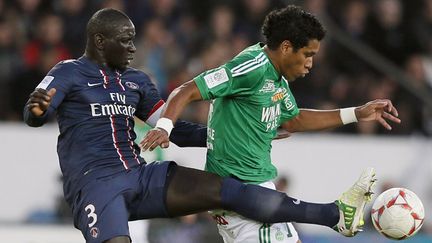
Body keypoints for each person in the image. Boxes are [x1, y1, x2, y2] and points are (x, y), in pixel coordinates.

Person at [25, 8, 379, 243]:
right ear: (100, 41)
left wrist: (225, 136)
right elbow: (36, 109)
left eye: (134, 39)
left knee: (229, 190)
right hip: (95, 185)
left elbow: (173, 128)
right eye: (125, 40)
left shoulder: (136, 82)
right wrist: (37, 109)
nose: (133, 48)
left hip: (139, 174)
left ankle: (333, 213)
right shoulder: (68, 71)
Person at [141, 5, 401, 243]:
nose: (311, 63)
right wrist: (164, 126)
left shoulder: (277, 79)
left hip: (256, 193)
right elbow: (185, 90)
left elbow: (295, 119)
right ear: (286, 47)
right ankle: (337, 215)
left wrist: (356, 112)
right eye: (307, 54)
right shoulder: (250, 67)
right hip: (243, 195)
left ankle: (337, 215)